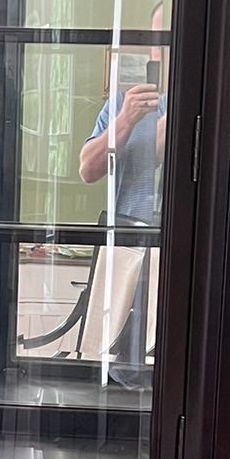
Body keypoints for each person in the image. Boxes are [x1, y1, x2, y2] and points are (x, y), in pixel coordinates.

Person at [77, 56, 164, 367]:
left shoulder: (201, 98)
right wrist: (126, 119)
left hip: (180, 252)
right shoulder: (119, 103)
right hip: (125, 247)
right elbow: (87, 170)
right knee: (107, 353)